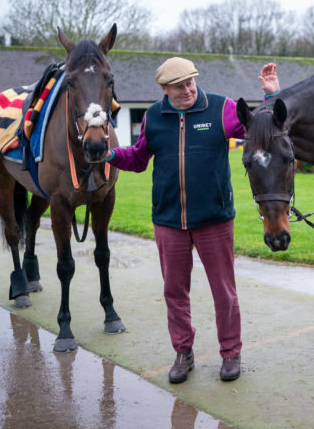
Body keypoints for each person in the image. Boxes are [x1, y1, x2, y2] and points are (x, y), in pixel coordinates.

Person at [106, 58, 280, 383]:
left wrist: (270, 96)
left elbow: (262, 127)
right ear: (164, 89)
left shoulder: (221, 108)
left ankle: (230, 353)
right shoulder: (153, 117)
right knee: (174, 292)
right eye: (178, 86)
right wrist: (110, 154)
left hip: (214, 219)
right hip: (169, 221)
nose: (187, 90)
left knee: (224, 292)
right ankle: (183, 353)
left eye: (190, 82)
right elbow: (140, 158)